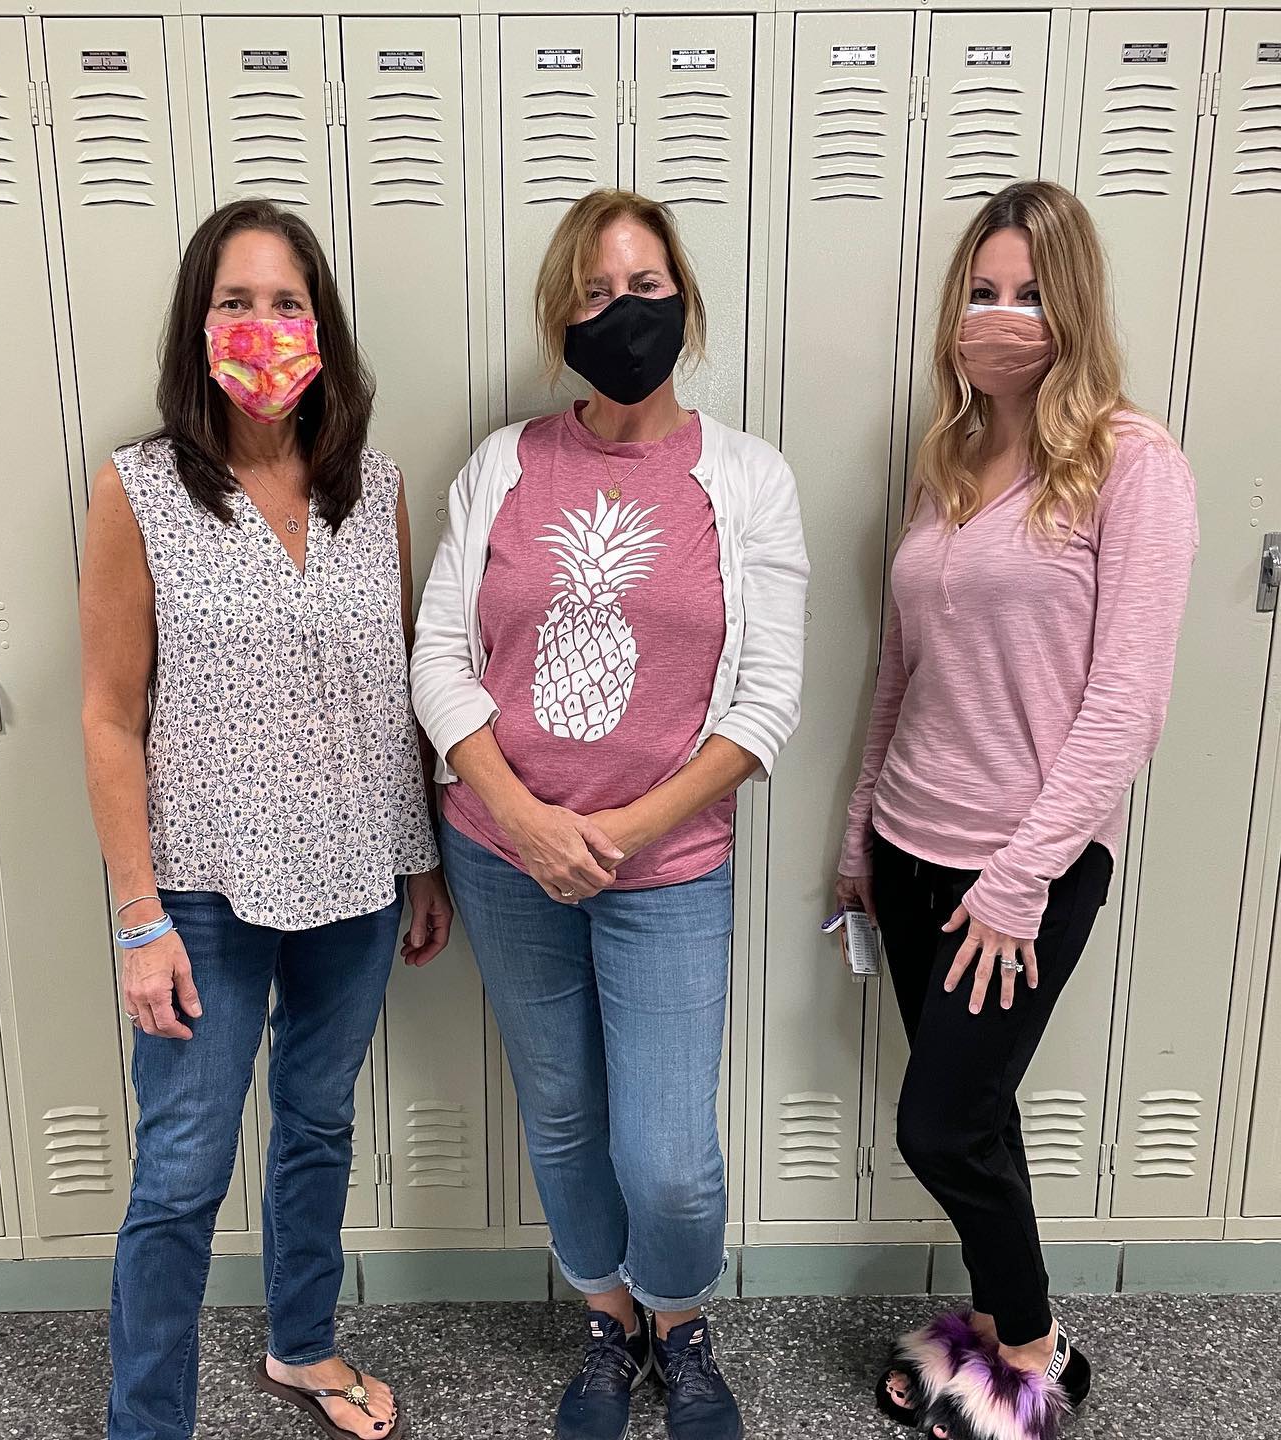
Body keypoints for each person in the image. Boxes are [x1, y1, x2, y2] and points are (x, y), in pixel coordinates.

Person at [411, 188, 807, 1440]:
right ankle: (610, 1320)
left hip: (669, 866)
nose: (621, 312)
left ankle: (681, 1325)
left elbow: (769, 702)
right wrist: (525, 820)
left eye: (643, 288)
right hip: (501, 855)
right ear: (558, 317)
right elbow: (437, 660)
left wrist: (618, 835)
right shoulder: (503, 465)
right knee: (564, 1110)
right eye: (592, 292)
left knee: (669, 1156)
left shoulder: (747, 478)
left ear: (684, 301)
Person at [80, 198, 451, 1440]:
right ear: (197, 326)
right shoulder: (140, 490)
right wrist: (140, 917)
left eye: (286, 302)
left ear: (321, 326)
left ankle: (303, 1344)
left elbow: (395, 687)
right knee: (183, 1172)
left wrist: (422, 861)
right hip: (203, 887)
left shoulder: (373, 489)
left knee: (318, 1121)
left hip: (355, 875)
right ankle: (149, 1422)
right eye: (234, 301)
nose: (261, 325)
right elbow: (108, 714)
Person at [836, 181, 1197, 1440]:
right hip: (910, 846)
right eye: (983, 292)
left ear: (1073, 307)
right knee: (979, 1114)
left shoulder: (1132, 464)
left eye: (1031, 293)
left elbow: (1127, 703)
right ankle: (995, 1327)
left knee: (940, 1127)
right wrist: (858, 838)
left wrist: (1020, 877)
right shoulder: (947, 462)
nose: (1001, 314)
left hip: (1021, 873)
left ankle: (1034, 1355)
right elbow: (898, 669)